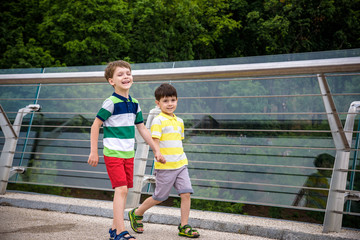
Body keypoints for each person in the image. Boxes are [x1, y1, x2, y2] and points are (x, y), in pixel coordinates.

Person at [87, 60, 164, 240]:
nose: (125, 77)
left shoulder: (135, 103)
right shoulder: (111, 102)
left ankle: (114, 228)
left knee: (124, 190)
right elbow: (95, 125)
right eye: (120, 74)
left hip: (128, 154)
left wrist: (156, 149)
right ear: (111, 81)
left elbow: (142, 128)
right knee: (121, 189)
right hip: (113, 153)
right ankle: (121, 232)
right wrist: (93, 151)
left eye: (128, 73)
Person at [128, 83, 200, 238]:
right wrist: (158, 154)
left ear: (177, 101)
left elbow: (178, 141)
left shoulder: (179, 121)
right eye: (166, 101)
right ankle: (137, 213)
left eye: (173, 100)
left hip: (181, 164)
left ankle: (184, 225)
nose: (170, 104)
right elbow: (155, 140)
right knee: (160, 197)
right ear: (158, 103)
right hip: (165, 166)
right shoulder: (158, 120)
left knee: (186, 193)